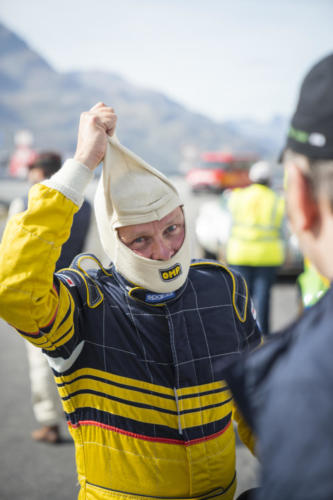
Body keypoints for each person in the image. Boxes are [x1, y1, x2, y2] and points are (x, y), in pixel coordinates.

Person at [0, 102, 262, 500]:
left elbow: (258, 401)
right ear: (113, 239)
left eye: (172, 229)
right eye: (140, 238)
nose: (162, 250)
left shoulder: (222, 290)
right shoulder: (84, 303)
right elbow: (13, 289)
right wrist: (81, 166)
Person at [225, 53, 333, 500]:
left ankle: (254, 334)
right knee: (264, 301)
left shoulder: (310, 387)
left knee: (248, 304)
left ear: (301, 197)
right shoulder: (270, 200)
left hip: (241, 256)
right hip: (270, 257)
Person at [8, 151, 92, 444]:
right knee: (80, 356)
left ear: (40, 173)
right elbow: (93, 253)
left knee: (42, 358)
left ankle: (49, 423)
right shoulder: (86, 205)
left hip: (39, 293)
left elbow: (11, 254)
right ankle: (85, 419)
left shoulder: (27, 201)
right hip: (78, 289)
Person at [225, 162, 285, 334]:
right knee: (263, 298)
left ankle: (240, 335)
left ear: (252, 177)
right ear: (269, 179)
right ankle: (263, 336)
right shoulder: (277, 200)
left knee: (240, 300)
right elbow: (284, 230)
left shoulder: (237, 197)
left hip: (240, 253)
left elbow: (227, 225)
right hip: (267, 255)